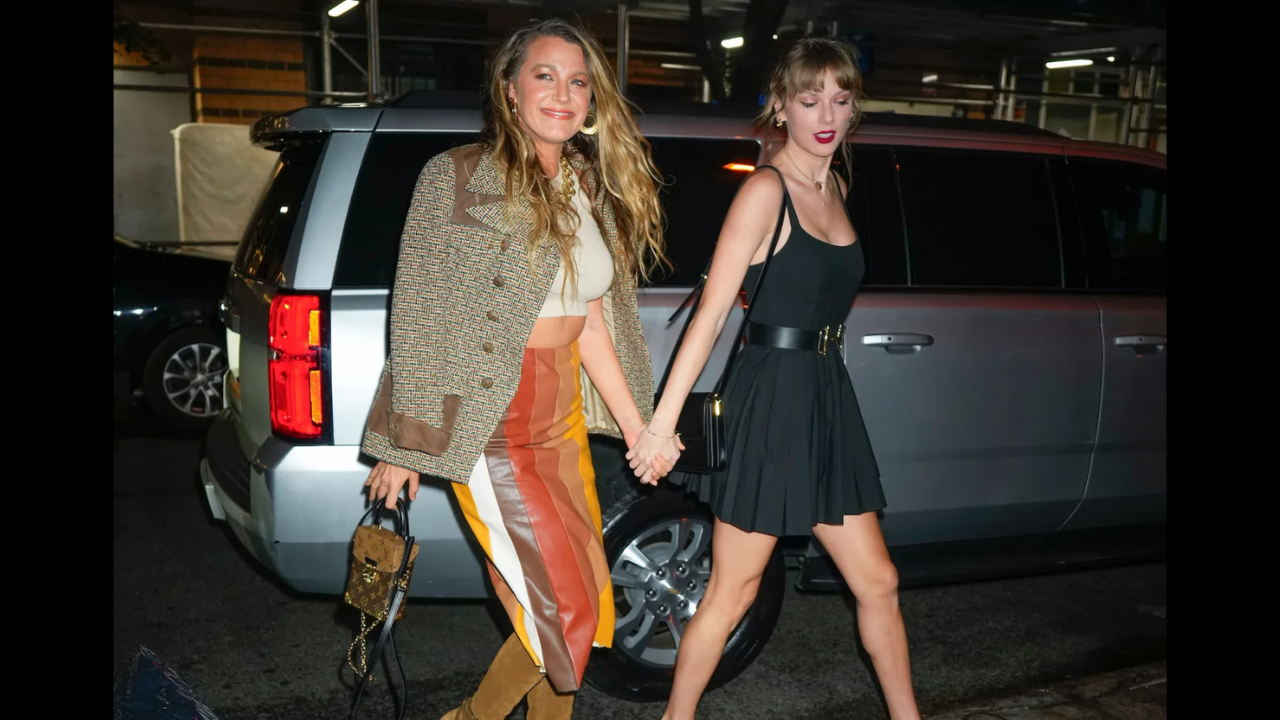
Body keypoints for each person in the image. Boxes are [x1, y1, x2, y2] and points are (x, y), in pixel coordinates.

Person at [360, 17, 675, 720]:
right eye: (545, 76)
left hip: (561, 417)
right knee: (564, 610)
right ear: (509, 88)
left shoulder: (585, 183)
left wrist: (638, 427)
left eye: (578, 81)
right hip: (492, 418)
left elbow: (593, 323)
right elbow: (420, 314)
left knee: (579, 602)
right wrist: (404, 444)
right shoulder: (456, 176)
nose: (563, 94)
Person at [627, 37, 922, 720]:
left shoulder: (834, 185)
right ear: (781, 107)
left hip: (824, 398)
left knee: (878, 581)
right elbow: (709, 317)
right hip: (772, 402)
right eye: (810, 100)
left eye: (841, 100)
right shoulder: (765, 191)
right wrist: (660, 427)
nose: (828, 115)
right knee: (734, 589)